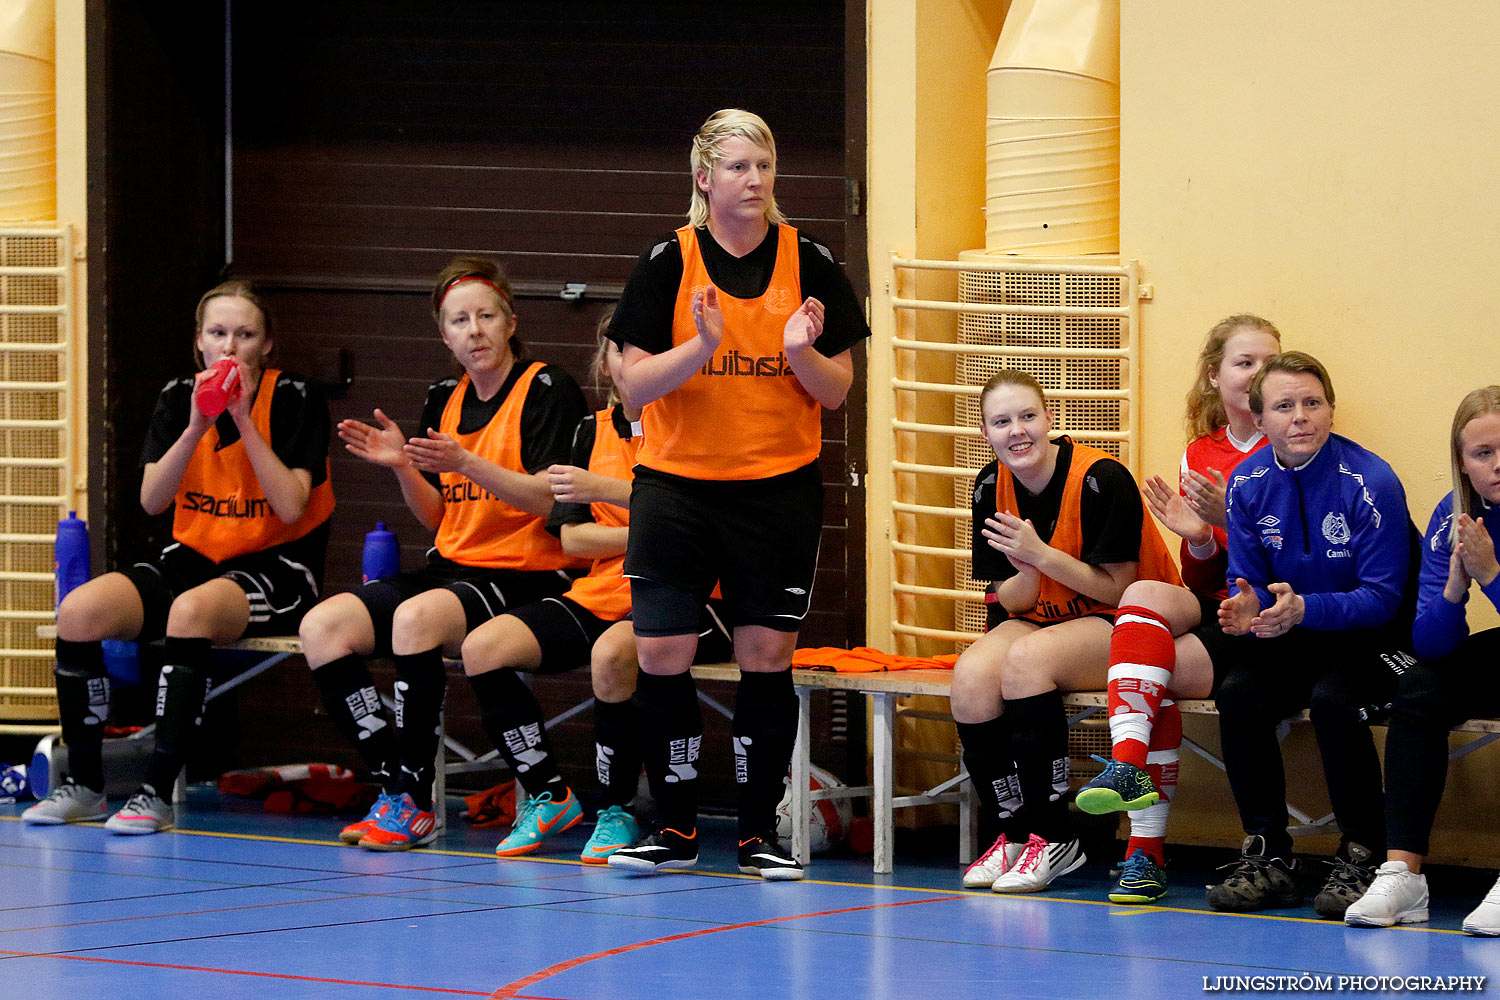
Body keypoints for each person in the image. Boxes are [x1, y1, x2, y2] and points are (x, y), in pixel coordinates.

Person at [602, 109, 868, 880]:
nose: (756, 181)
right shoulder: (666, 261)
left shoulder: (809, 261)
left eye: (765, 166)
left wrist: (798, 353)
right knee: (661, 649)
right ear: (704, 179)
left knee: (765, 654)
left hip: (773, 491)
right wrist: (705, 347)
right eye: (740, 167)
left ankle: (759, 832)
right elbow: (632, 385)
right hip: (676, 487)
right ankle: (677, 828)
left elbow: (836, 390)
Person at [297, 257, 588, 851]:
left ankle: (417, 796)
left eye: (486, 316)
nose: (474, 330)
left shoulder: (547, 388)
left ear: (510, 322)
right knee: (323, 626)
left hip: (528, 573)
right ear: (444, 334)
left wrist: (466, 462)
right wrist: (404, 465)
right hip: (453, 566)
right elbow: (439, 515)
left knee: (415, 618)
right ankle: (395, 782)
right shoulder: (442, 398)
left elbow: (549, 499)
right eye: (460, 320)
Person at [24, 281, 333, 834]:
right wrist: (196, 423)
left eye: (245, 335)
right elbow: (151, 500)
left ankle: (159, 790)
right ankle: (87, 784)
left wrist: (240, 417)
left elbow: (290, 506)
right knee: (79, 612)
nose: (230, 348)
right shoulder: (177, 396)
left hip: (276, 566)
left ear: (267, 344)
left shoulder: (297, 398)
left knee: (188, 613)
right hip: (194, 556)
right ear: (199, 341)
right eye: (218, 334)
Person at [457, 325, 732, 862]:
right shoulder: (589, 430)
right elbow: (573, 537)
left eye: (647, 351)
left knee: (611, 655)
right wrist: (653, 526)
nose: (633, 361)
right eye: (621, 350)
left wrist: (612, 495)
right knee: (482, 648)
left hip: (693, 593)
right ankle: (548, 794)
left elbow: (707, 522)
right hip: (605, 585)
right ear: (605, 363)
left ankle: (618, 808)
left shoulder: (697, 425)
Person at [1071, 315, 1281, 903]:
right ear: (1215, 377)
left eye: (1270, 362)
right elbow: (1202, 576)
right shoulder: (1201, 452)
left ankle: (1144, 851)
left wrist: (1222, 523)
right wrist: (1201, 538)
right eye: (1245, 363)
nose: (1259, 375)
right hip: (1218, 603)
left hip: (1267, 612)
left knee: (1151, 669)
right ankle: (1131, 774)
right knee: (1141, 599)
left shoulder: (1288, 442)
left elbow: (1290, 560)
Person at [1203, 351, 1419, 917]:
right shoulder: (1246, 482)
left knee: (1333, 700)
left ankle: (1365, 853)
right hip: (1301, 628)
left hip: (1383, 637)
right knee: (1239, 691)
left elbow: (1383, 599)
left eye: (1312, 403)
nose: (1300, 416)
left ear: (1329, 410)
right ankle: (1269, 854)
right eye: (1284, 406)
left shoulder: (1370, 480)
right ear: (1260, 419)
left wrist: (1301, 612)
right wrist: (1248, 609)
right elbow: (1243, 581)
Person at [953, 369, 1182, 893]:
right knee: (969, 678)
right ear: (986, 432)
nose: (1017, 431)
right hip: (1041, 615)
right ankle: (1012, 836)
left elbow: (1116, 588)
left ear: (1050, 419)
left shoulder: (1102, 478)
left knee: (1028, 661)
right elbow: (1007, 598)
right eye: (1002, 421)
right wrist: (1030, 570)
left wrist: (1041, 554)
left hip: (1121, 619)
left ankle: (1056, 838)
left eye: (1028, 416)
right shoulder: (990, 485)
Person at [1345, 386, 1500, 933]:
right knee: (1417, 684)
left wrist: (1492, 577)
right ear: (1462, 463)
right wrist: (1456, 590)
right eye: (1482, 454)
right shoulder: (1454, 515)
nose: (1498, 465)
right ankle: (1403, 872)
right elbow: (1431, 644)